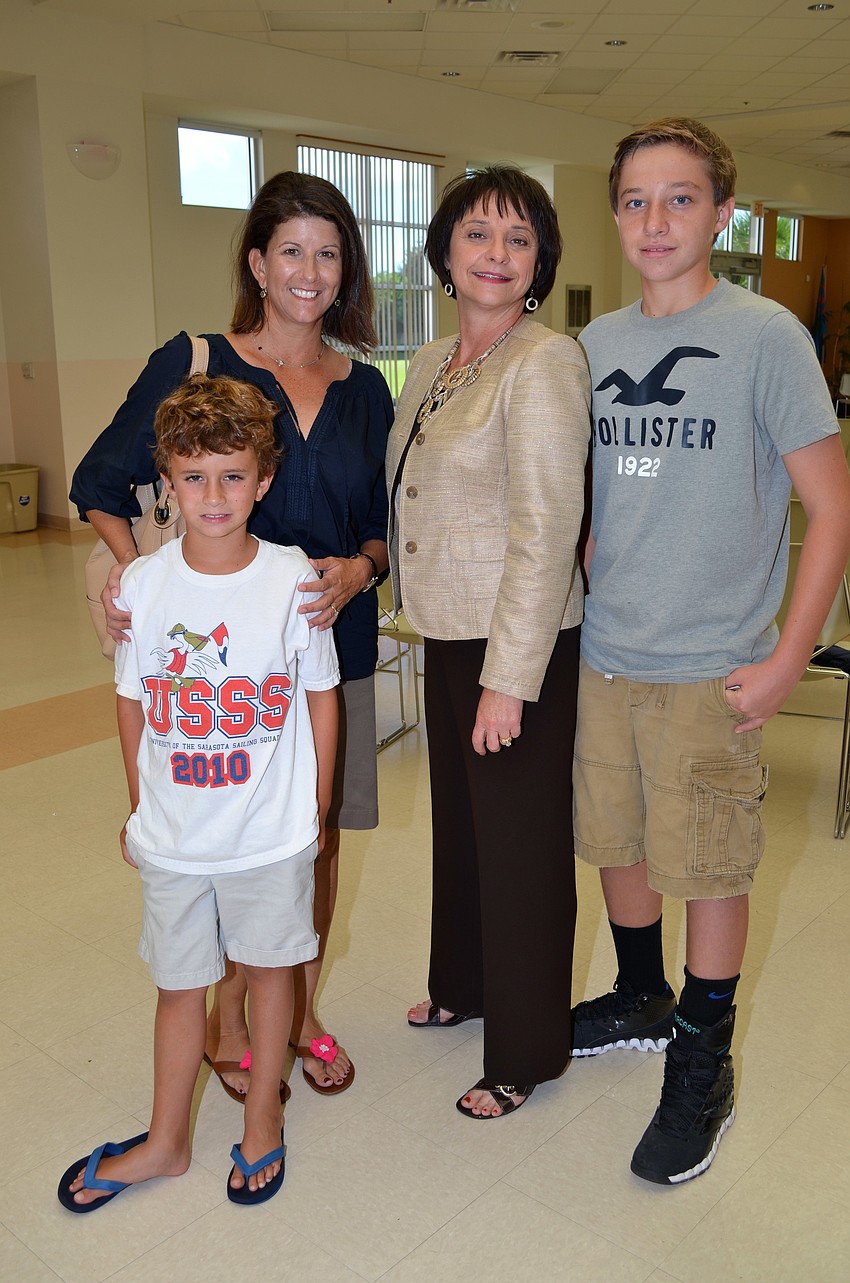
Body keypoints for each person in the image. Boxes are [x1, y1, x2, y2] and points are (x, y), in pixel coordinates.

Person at [70, 171, 393, 1098]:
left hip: (328, 647)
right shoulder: (198, 357)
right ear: (257, 261)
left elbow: (376, 525)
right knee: (225, 843)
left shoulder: (365, 387)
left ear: (346, 273)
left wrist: (360, 569)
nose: (309, 270)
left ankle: (301, 1003)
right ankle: (225, 1016)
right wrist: (143, 580)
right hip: (217, 673)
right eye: (291, 249)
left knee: (314, 840)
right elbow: (101, 478)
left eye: (328, 253)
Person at [572, 117, 850, 1184]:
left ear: (721, 212)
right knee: (619, 838)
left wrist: (786, 658)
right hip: (606, 649)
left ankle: (703, 1059)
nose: (655, 219)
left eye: (679, 198)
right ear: (615, 215)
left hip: (708, 661)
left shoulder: (767, 335)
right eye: (636, 200)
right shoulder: (595, 349)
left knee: (710, 864)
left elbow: (830, 509)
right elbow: (592, 492)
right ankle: (640, 993)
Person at [58, 374, 339, 1211]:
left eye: (231, 474)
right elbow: (132, 699)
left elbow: (322, 697)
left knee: (268, 972)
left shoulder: (293, 580)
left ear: (263, 478)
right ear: (167, 482)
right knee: (179, 986)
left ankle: (263, 1121)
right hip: (177, 836)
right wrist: (140, 806)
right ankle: (167, 1139)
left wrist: (316, 811)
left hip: (267, 834)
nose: (213, 495)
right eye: (193, 476)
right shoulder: (141, 585)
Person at [388, 166, 590, 1118]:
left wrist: (511, 680)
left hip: (522, 641)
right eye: (477, 234)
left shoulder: (545, 361)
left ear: (540, 260)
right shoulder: (433, 363)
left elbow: (547, 528)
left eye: (518, 239)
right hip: (449, 628)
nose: (496, 255)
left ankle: (525, 1048)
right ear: (446, 252)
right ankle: (463, 984)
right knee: (464, 830)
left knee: (520, 847)